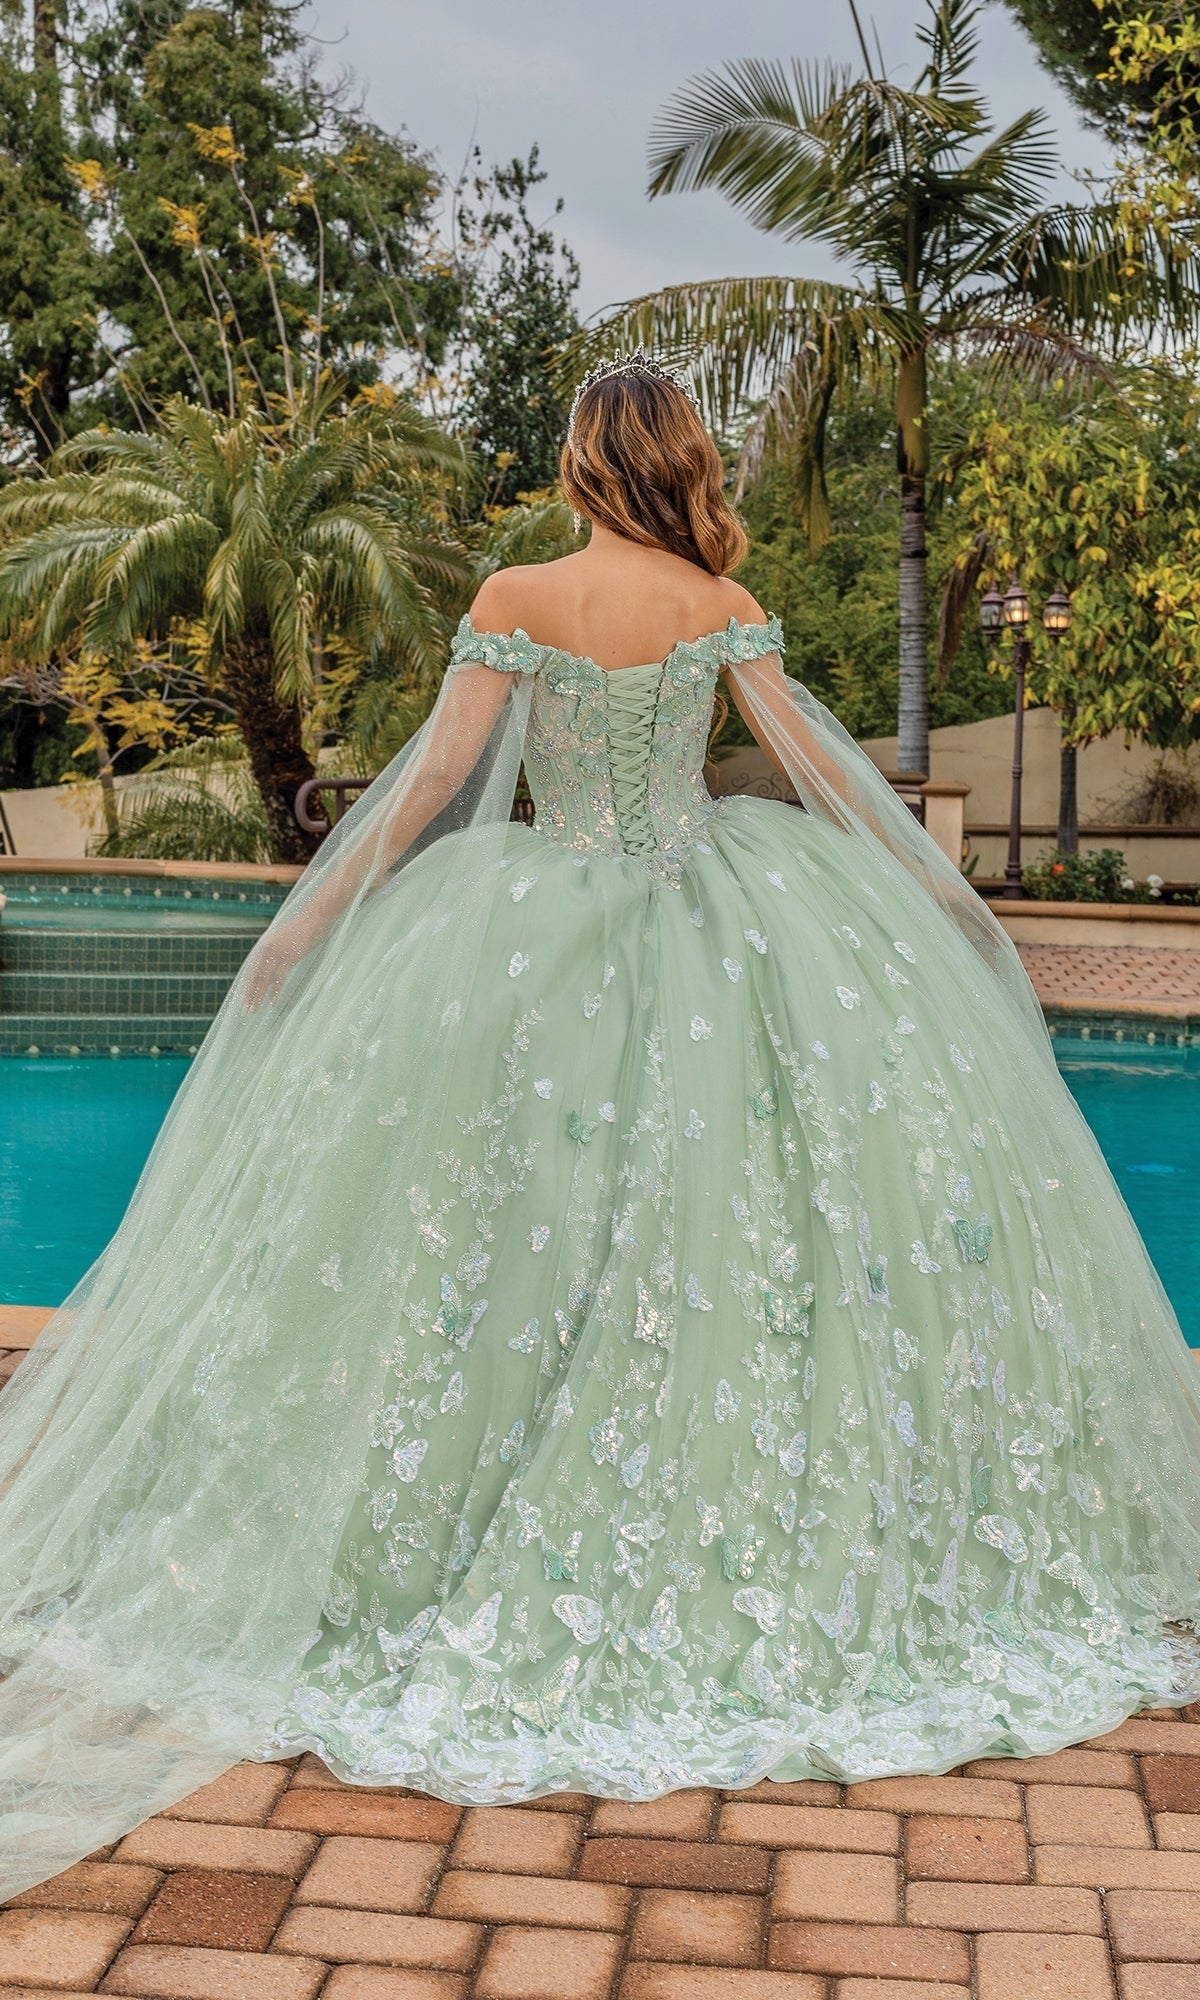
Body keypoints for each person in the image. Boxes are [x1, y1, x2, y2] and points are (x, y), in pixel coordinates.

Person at [1, 352, 1198, 1903]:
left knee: (514, 1221)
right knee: (731, 1228)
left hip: (536, 939)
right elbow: (823, 772)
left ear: (580, 462)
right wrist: (941, 898)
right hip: (721, 920)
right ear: (682, 460)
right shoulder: (716, 604)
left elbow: (435, 783)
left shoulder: (520, 594)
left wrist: (305, 926)